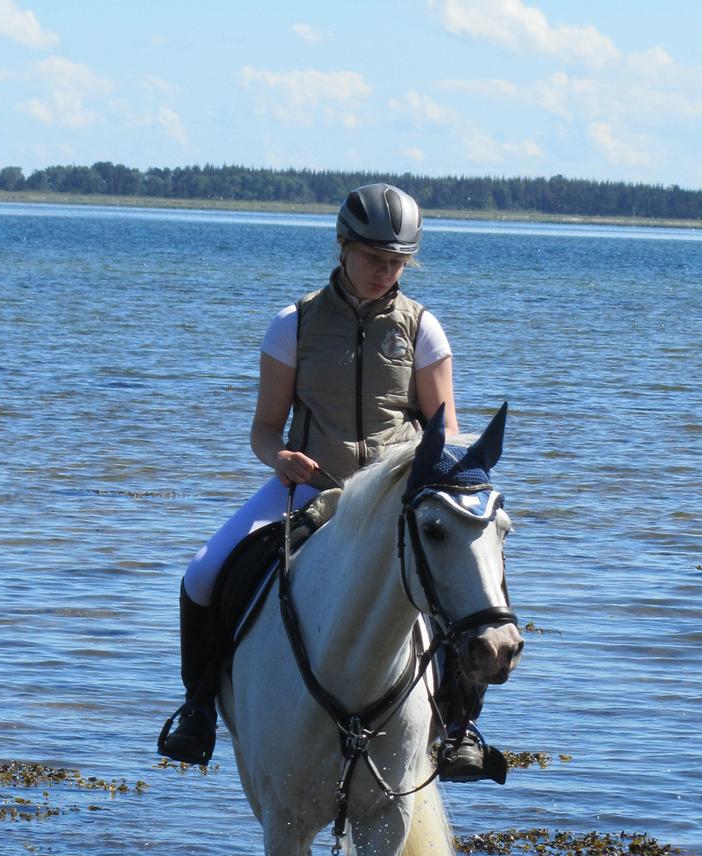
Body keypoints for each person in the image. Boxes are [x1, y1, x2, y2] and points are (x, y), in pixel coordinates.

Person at [157, 182, 504, 782]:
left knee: (467, 583)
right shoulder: (292, 325)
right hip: (310, 486)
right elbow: (264, 429)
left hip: (393, 499)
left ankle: (460, 724)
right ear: (343, 245)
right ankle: (199, 708)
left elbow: (443, 432)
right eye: (374, 258)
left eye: (397, 262)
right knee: (202, 573)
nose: (384, 272)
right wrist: (279, 458)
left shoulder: (423, 329)